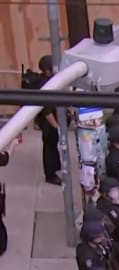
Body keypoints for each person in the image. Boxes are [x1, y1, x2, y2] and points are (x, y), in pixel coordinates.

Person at [34, 55, 62, 185]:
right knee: (49, 148)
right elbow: (46, 109)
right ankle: (50, 175)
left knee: (53, 145)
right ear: (47, 69)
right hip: (49, 123)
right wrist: (55, 125)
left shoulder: (49, 80)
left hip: (52, 120)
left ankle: (56, 165)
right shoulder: (44, 84)